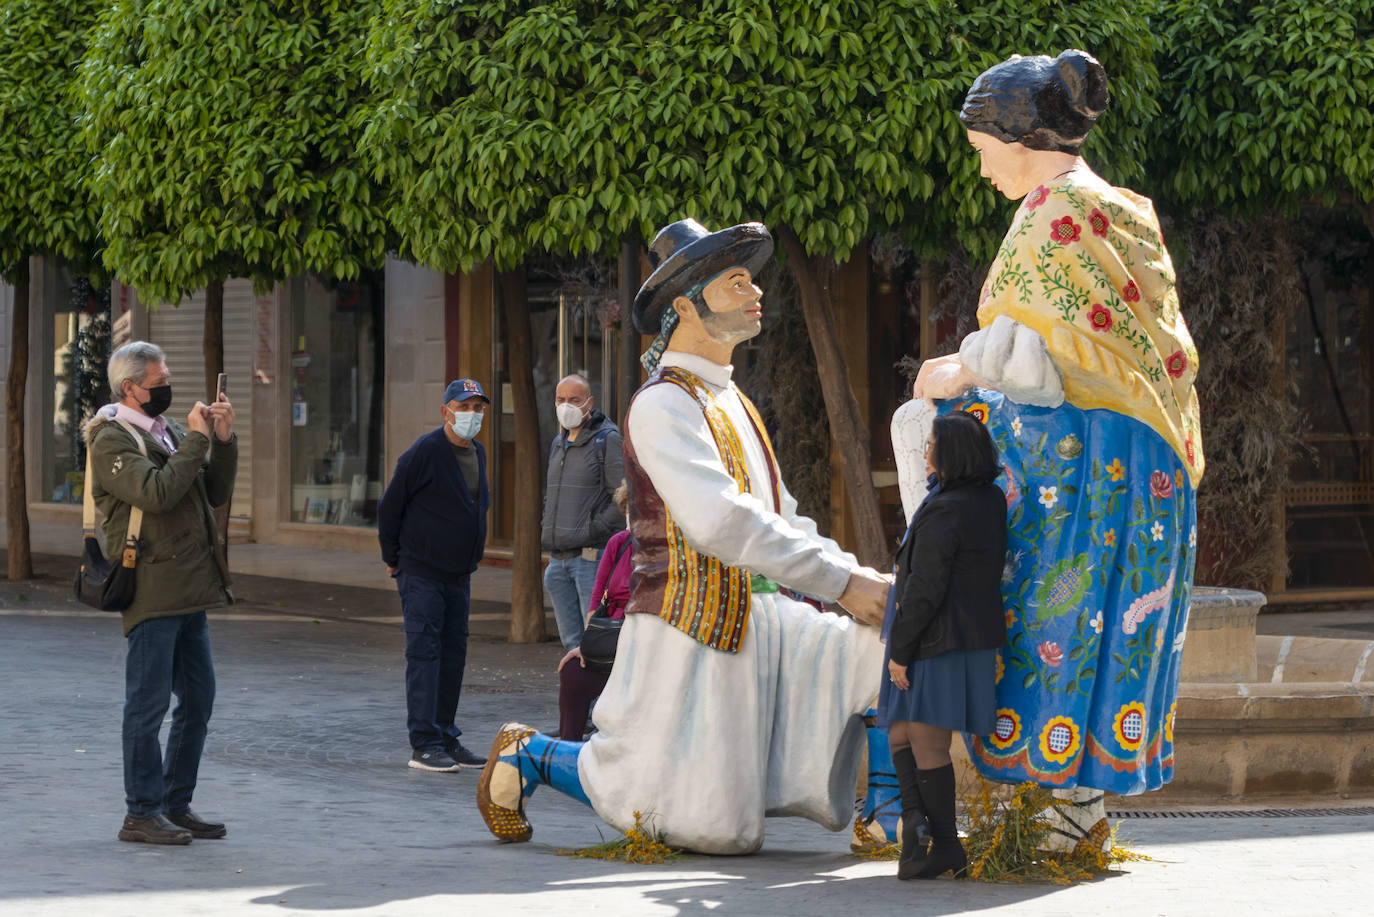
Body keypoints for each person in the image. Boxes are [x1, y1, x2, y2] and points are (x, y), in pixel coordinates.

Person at [477, 219, 892, 854]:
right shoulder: (661, 405)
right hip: (688, 621)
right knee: (698, 822)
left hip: (765, 611)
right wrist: (841, 582)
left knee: (881, 647)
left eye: (751, 279)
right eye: (735, 282)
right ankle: (530, 754)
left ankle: (889, 815)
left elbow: (783, 515)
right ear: (683, 305)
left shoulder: (734, 402)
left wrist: (859, 583)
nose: (755, 292)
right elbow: (721, 519)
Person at [895, 49, 1204, 853]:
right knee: (1113, 618)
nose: (982, 164)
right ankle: (1086, 804)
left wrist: (955, 369)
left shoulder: (1048, 215)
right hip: (1148, 459)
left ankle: (1063, 803)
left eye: (981, 147)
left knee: (1056, 609)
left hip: (1085, 462)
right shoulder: (1121, 206)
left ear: (1018, 138)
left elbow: (1034, 360)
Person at [87, 341, 236, 845]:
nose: (167, 388)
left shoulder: (167, 431)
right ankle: (141, 812)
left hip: (190, 588)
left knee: (198, 700)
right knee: (147, 707)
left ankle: (175, 802)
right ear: (130, 388)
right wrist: (195, 441)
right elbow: (156, 492)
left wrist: (222, 439)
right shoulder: (111, 439)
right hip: (152, 590)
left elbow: (211, 493)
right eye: (158, 381)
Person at [880, 412, 1007, 879]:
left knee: (924, 738)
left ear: (952, 452)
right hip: (955, 634)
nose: (925, 451)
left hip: (935, 635)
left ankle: (946, 845)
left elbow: (926, 586)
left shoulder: (947, 508)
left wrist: (901, 649)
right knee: (897, 728)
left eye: (931, 444)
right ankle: (916, 826)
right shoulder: (985, 499)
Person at [377, 379, 492, 773]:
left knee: (453, 655)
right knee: (425, 653)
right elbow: (390, 507)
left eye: (478, 408)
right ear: (446, 411)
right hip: (421, 570)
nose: (472, 415)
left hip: (459, 574)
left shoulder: (478, 452)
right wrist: (392, 557)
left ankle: (445, 734)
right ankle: (423, 743)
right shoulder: (424, 453)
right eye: (464, 407)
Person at [541, 373, 625, 651]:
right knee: (571, 645)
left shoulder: (607, 440)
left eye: (574, 400)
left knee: (595, 643)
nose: (567, 406)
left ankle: (598, 696)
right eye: (561, 400)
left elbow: (623, 498)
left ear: (589, 402)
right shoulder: (558, 443)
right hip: (557, 562)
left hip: (590, 560)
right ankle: (579, 695)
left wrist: (591, 530)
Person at [554, 482, 632, 740]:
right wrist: (587, 648)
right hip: (610, 641)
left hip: (641, 649)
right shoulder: (619, 543)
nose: (634, 516)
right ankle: (569, 751)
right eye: (630, 508)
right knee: (573, 671)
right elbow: (597, 601)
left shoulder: (668, 550)